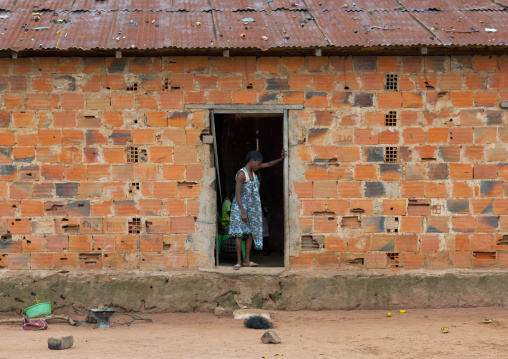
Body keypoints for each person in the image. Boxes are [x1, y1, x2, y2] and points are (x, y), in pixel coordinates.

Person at [229, 149, 286, 270]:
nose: (259, 165)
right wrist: (243, 212)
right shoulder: (241, 174)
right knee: (240, 234)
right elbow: (237, 195)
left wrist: (281, 159)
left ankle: (246, 260)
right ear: (252, 161)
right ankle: (238, 262)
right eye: (258, 163)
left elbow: (269, 164)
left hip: (252, 209)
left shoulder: (254, 171)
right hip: (241, 208)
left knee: (251, 233)